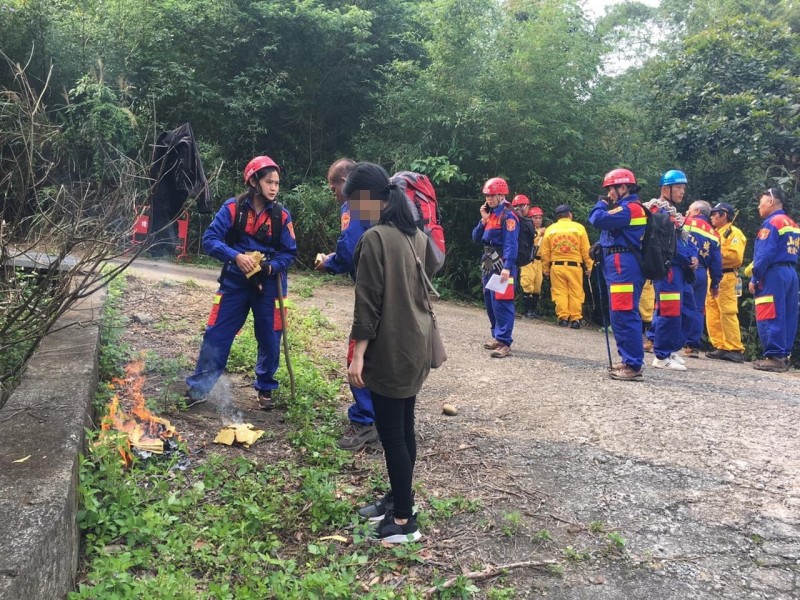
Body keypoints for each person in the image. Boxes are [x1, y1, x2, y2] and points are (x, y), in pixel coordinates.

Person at [347, 162, 438, 543]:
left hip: (391, 348)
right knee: (404, 427)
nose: (351, 212)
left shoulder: (375, 239)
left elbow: (368, 303)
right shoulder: (415, 233)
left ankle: (403, 522)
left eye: (353, 204)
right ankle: (401, 500)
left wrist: (358, 355)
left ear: (369, 200)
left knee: (393, 436)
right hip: (416, 344)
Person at [186, 155, 297, 409]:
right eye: (269, 182)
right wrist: (235, 256)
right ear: (254, 182)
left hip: (270, 285)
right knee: (217, 333)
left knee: (270, 336)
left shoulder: (282, 216)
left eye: (277, 183)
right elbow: (210, 239)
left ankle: (266, 388)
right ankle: (200, 388)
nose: (273, 188)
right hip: (235, 281)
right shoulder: (232, 209)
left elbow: (289, 253)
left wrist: (269, 267)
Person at [314, 159, 379, 451]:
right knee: (381, 353)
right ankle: (385, 419)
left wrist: (329, 263)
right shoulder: (376, 202)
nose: (334, 193)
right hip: (393, 288)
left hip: (371, 291)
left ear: (345, 181)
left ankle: (365, 422)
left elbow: (351, 247)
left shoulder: (353, 204)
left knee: (358, 355)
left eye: (334, 186)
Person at [588, 168, 648, 381]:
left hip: (624, 267)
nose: (609, 194)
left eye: (611, 190)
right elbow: (615, 234)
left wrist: (601, 203)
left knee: (624, 313)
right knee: (618, 314)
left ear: (623, 187)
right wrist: (600, 245)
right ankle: (627, 359)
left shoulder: (630, 208)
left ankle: (633, 364)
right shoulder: (627, 208)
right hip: (617, 264)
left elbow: (597, 219)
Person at [643, 169, 699, 372]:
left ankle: (672, 348)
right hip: (669, 269)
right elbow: (664, 245)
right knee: (670, 312)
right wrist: (687, 258)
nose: (682, 192)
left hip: (681, 271)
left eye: (683, 188)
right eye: (679, 188)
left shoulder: (675, 214)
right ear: (666, 188)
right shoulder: (658, 210)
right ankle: (662, 355)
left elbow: (683, 239)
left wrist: (694, 256)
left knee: (689, 311)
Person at [749, 188, 799, 372]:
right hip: (790, 272)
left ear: (770, 201)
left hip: (773, 273)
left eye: (760, 202)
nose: (758, 207)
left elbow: (764, 254)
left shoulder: (771, 223)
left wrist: (755, 277)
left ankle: (774, 356)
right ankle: (783, 354)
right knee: (787, 314)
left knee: (769, 311)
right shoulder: (791, 223)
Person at [473, 177, 520, 358]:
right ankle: (496, 335)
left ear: (501, 195)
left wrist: (507, 267)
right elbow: (476, 237)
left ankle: (504, 341)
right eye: (487, 196)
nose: (488, 199)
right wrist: (483, 220)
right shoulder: (491, 214)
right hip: (488, 261)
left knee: (502, 300)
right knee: (489, 300)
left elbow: (511, 243)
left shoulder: (508, 215)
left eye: (492, 196)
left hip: (501, 262)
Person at [705, 202, 747, 362]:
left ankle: (734, 347)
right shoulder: (715, 233)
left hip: (727, 276)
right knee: (712, 311)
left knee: (727, 311)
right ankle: (720, 345)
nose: (712, 217)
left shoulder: (733, 233)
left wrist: (715, 256)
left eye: (715, 214)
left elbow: (735, 256)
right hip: (713, 275)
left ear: (724, 215)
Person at [539, 204, 593, 328]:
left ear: (558, 217)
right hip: (575, 266)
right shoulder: (579, 228)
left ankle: (563, 318)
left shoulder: (551, 229)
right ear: (570, 215)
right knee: (576, 292)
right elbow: (586, 249)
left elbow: (545, 252)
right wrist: (589, 266)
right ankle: (575, 319)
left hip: (556, 266)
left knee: (560, 292)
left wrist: (545, 269)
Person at [682, 200, 722, 357]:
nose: (686, 212)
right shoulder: (714, 234)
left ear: (697, 211)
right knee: (698, 309)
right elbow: (717, 262)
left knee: (671, 302)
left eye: (689, 209)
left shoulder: (685, 223)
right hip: (702, 274)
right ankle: (692, 346)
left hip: (684, 269)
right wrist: (715, 283)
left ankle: (655, 340)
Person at [510, 194, 538, 318]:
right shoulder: (510, 219)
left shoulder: (527, 222)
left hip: (522, 257)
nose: (519, 209)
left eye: (520, 206)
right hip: (512, 257)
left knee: (515, 283)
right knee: (511, 283)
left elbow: (530, 232)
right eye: (516, 206)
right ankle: (509, 307)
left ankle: (511, 307)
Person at [519, 203, 546, 318]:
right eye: (535, 218)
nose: (538, 220)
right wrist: (539, 234)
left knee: (537, 285)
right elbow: (529, 242)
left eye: (540, 218)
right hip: (529, 259)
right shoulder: (528, 229)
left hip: (539, 261)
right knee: (527, 283)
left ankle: (533, 310)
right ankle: (527, 310)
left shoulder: (544, 232)